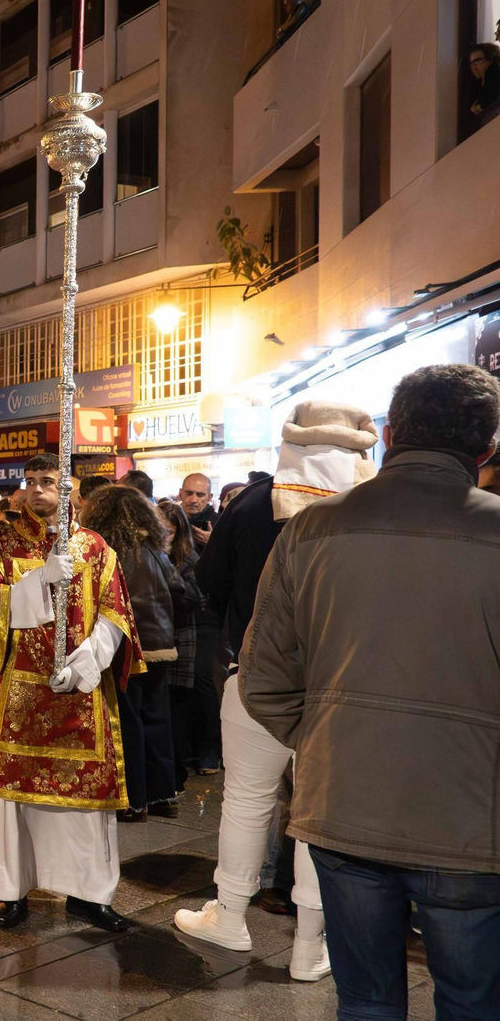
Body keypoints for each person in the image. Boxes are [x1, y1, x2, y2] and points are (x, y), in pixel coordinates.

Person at [239, 366, 500, 1008]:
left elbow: (263, 678)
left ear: (388, 434)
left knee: (365, 1002)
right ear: (487, 446)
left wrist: (329, 739)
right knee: (474, 1002)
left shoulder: (310, 528)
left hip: (345, 802)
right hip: (473, 817)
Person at [177, 400, 378, 982]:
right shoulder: (373, 508)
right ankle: (310, 945)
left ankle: (229, 917)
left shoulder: (251, 504)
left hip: (256, 676)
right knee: (321, 815)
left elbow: (209, 582)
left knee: (246, 800)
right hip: (342, 686)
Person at [0, 452, 143, 933]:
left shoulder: (95, 547)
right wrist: (40, 578)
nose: (38, 489)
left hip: (80, 693)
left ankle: (89, 896)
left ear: (70, 489)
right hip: (18, 695)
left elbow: (115, 614)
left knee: (84, 806)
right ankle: (12, 892)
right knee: (13, 805)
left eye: (48, 480)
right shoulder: (0, 542)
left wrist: (85, 666)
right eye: (31, 480)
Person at [81, 484, 185, 822]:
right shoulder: (154, 549)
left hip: (126, 646)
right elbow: (182, 592)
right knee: (158, 718)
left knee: (127, 721)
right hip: (161, 645)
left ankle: (134, 800)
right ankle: (163, 796)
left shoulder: (108, 550)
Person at [157, 500, 216, 789]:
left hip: (185, 633)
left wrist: (171, 581)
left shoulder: (188, 559)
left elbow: (198, 598)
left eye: (169, 531)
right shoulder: (152, 555)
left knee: (184, 697)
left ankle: (193, 758)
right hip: (162, 634)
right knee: (166, 701)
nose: (165, 536)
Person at [175, 472, 217, 547]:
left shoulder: (220, 523)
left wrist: (214, 544)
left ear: (209, 497)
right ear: (180, 494)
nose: (193, 500)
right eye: (189, 494)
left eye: (200, 495)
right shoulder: (170, 520)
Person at [470, 42, 500, 116]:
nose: (473, 66)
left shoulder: (493, 72)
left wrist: (477, 107)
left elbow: (488, 101)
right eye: (471, 63)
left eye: (477, 60)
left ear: (490, 59)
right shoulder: (481, 82)